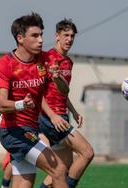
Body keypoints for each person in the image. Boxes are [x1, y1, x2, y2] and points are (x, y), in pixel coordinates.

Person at [0, 12, 70, 188]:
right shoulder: (4, 65)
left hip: (31, 130)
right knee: (58, 170)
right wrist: (21, 104)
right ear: (20, 38)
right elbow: (2, 104)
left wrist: (58, 78)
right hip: (13, 132)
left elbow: (65, 91)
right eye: (35, 35)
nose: (41, 40)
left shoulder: (46, 59)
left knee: (23, 184)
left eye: (41, 34)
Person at [38, 19, 94, 188]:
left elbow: (64, 93)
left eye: (72, 36)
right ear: (57, 36)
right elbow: (37, 93)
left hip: (62, 115)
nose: (69, 39)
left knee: (62, 168)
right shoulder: (47, 58)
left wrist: (75, 112)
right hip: (51, 118)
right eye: (65, 35)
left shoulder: (68, 62)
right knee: (87, 152)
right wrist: (52, 115)